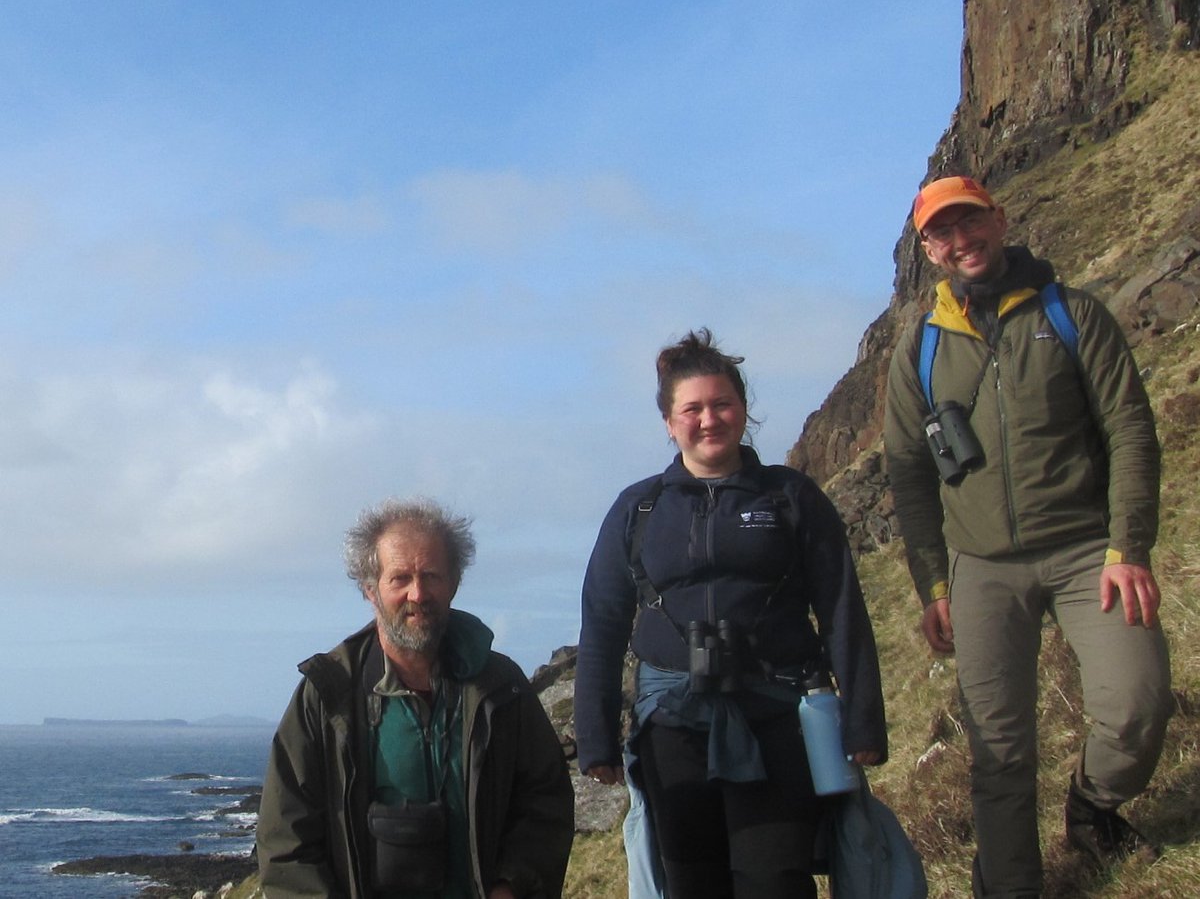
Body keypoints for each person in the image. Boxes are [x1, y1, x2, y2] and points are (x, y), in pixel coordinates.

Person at [884, 175, 1174, 897]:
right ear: (927, 249)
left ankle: (1094, 802)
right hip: (982, 567)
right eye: (941, 232)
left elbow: (1131, 428)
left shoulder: (1072, 314)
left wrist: (1127, 548)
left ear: (1000, 218)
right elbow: (909, 474)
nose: (961, 240)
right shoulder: (918, 349)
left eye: (970, 222)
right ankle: (1010, 887)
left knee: (1138, 702)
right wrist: (934, 586)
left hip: (1087, 551)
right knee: (999, 751)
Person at [574, 328, 888, 899]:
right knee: (693, 884)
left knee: (776, 880)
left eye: (722, 404)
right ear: (670, 423)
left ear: (743, 411)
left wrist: (864, 721)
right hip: (671, 726)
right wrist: (595, 738)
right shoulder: (639, 509)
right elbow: (603, 622)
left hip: (778, 716)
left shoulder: (791, 498)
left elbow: (841, 606)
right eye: (691, 408)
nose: (709, 419)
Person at [257, 497, 574, 898]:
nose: (418, 594)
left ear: (454, 583)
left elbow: (545, 799)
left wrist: (512, 885)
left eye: (431, 576)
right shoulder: (327, 695)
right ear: (370, 589)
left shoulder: (501, 687)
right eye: (400, 578)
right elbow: (286, 839)